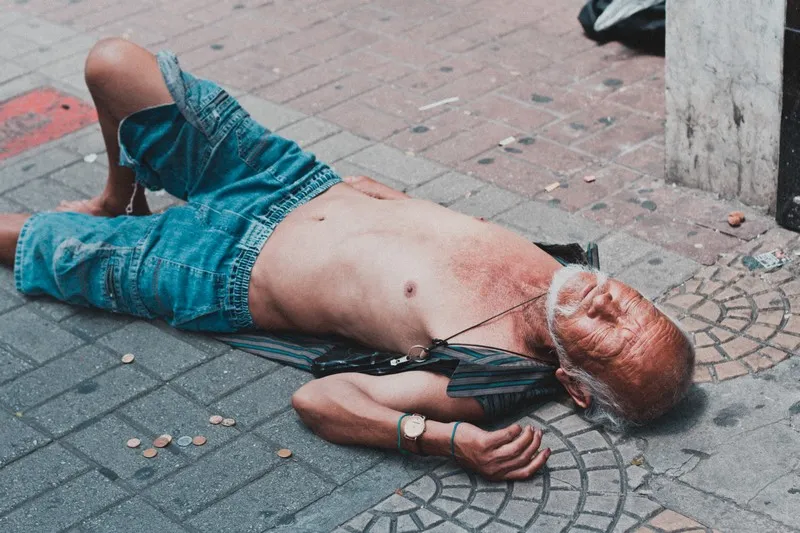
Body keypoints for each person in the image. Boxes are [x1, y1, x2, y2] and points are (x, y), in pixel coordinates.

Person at [0, 39, 694, 481]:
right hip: (280, 175)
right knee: (112, 64)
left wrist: (445, 440)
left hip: (223, 267)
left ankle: (112, 226)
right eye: (636, 303)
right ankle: (120, 197)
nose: (610, 300)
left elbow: (318, 400)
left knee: (22, 237)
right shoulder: (565, 277)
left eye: (613, 332)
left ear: (574, 385)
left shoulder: (490, 377)